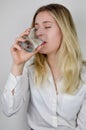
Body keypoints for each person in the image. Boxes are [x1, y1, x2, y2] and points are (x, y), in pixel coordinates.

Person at [1, 3, 86, 130]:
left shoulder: (83, 74)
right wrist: (17, 64)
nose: (39, 33)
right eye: (36, 28)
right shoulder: (29, 68)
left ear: (65, 30)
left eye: (47, 26)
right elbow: (9, 109)